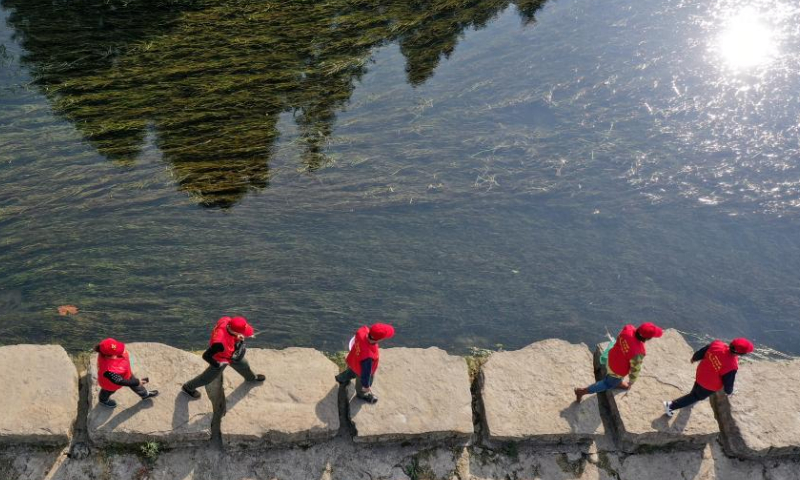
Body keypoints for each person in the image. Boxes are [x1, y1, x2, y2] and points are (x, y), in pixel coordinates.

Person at [663, 337, 754, 417]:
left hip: (701, 373)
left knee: (697, 387)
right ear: (741, 354)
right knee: (696, 396)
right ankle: (670, 405)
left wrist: (694, 358)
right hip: (709, 385)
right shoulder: (732, 365)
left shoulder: (717, 344)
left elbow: (702, 351)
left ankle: (692, 395)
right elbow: (728, 382)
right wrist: (728, 392)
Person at [574, 322, 664, 402]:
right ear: (647, 338)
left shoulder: (628, 329)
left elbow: (622, 339)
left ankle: (618, 383)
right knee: (607, 384)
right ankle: (582, 391)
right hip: (618, 370)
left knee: (613, 375)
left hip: (611, 357)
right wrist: (631, 381)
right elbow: (635, 369)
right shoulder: (638, 352)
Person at [182, 316, 265, 399]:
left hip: (231, 352)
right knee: (207, 378)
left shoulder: (226, 320)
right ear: (235, 331)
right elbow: (206, 356)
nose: (244, 334)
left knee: (244, 365)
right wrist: (218, 364)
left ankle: (251, 378)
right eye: (242, 332)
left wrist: (236, 337)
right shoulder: (219, 344)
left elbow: (228, 332)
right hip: (220, 359)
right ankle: (188, 387)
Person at [335, 323, 395, 404]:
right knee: (361, 382)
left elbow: (361, 333)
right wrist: (366, 386)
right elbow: (366, 374)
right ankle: (361, 394)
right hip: (361, 371)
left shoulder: (362, 331)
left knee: (351, 372)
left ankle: (341, 378)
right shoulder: (368, 356)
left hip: (353, 360)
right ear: (379, 339)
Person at [95, 338, 158, 408]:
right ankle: (103, 400)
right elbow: (120, 381)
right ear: (110, 356)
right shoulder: (108, 370)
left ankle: (145, 394)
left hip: (126, 374)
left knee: (136, 385)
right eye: (118, 351)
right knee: (107, 391)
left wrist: (135, 382)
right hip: (110, 384)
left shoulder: (105, 352)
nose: (122, 350)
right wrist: (137, 382)